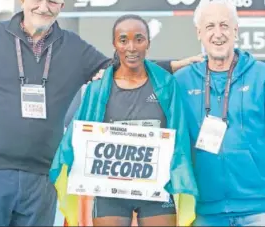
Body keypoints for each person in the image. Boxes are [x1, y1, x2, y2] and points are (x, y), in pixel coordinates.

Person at [0, 0, 202, 226]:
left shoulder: (72, 46)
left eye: (52, 1)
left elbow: (121, 65)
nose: (43, 7)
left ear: (61, 6)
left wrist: (173, 65)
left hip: (42, 178)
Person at [50, 14, 198, 227]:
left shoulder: (166, 85)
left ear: (148, 42)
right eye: (123, 40)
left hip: (157, 190)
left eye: (139, 39)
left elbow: (180, 136)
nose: (131, 47)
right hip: (110, 193)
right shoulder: (97, 89)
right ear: (114, 44)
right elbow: (76, 137)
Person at [174, 0, 265, 227]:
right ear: (199, 32)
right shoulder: (182, 81)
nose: (218, 34)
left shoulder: (263, 76)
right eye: (210, 26)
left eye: (224, 25)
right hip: (204, 212)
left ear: (236, 30)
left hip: (260, 210)